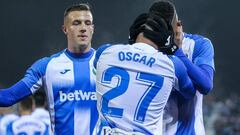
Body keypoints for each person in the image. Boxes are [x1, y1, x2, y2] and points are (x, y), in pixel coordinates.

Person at [0, 3, 98, 135]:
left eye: (87, 23)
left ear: (92, 28)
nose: (83, 28)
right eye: (76, 23)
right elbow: (9, 97)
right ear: (65, 29)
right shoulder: (46, 66)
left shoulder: (107, 62)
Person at [93, 12, 196, 135]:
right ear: (165, 41)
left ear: (132, 34)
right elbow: (189, 92)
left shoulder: (105, 52)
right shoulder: (173, 65)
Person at [148, 1, 215, 134]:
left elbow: (206, 85)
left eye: (166, 28)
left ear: (178, 25)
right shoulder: (146, 49)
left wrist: (176, 51)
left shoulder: (198, 45)